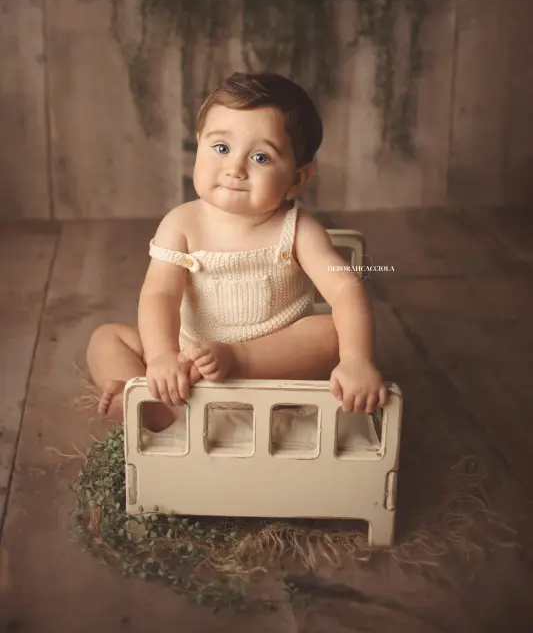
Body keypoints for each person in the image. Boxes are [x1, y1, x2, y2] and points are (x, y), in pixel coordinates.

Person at [87, 72, 387, 430]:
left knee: (330, 332)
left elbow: (346, 290)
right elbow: (160, 294)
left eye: (261, 158)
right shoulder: (181, 223)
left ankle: (235, 361)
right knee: (107, 338)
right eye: (222, 148)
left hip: (273, 359)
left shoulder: (299, 229)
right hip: (189, 353)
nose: (235, 169)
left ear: (297, 178)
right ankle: (151, 403)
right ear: (198, 145)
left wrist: (356, 359)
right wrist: (162, 356)